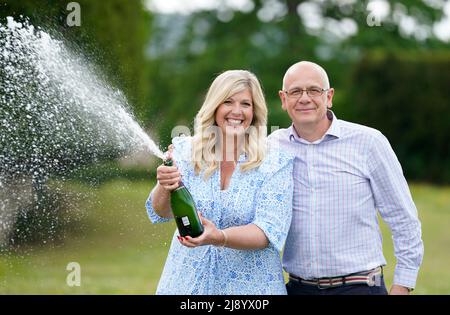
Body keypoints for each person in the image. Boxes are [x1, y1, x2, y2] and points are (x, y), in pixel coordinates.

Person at [269, 61, 424, 295]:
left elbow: (403, 218)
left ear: (329, 96)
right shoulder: (271, 148)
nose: (304, 98)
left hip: (359, 287)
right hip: (298, 289)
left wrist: (402, 285)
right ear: (283, 99)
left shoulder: (369, 143)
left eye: (314, 90)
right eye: (295, 92)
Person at [145, 70, 294, 295]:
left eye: (246, 103)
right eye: (228, 102)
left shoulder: (274, 162)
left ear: (255, 112)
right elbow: (163, 211)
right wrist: (163, 186)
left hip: (250, 290)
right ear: (215, 106)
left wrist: (220, 237)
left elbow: (267, 231)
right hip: (186, 285)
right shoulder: (186, 151)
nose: (237, 111)